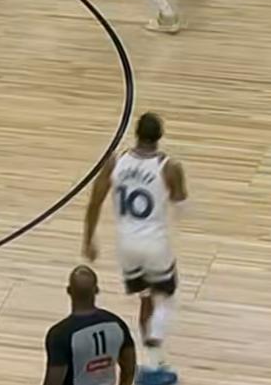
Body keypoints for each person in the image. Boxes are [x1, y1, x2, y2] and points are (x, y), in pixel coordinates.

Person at [83, 111, 187, 382]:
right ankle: (153, 361)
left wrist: (89, 239)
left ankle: (154, 362)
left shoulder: (115, 161)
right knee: (166, 298)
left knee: (146, 299)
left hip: (126, 245)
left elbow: (94, 202)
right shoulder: (168, 166)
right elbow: (181, 203)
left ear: (137, 134)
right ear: (160, 136)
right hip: (154, 243)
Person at [42, 267, 137, 385]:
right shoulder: (117, 324)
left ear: (69, 291)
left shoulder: (60, 334)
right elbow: (129, 368)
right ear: (96, 290)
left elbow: (53, 382)